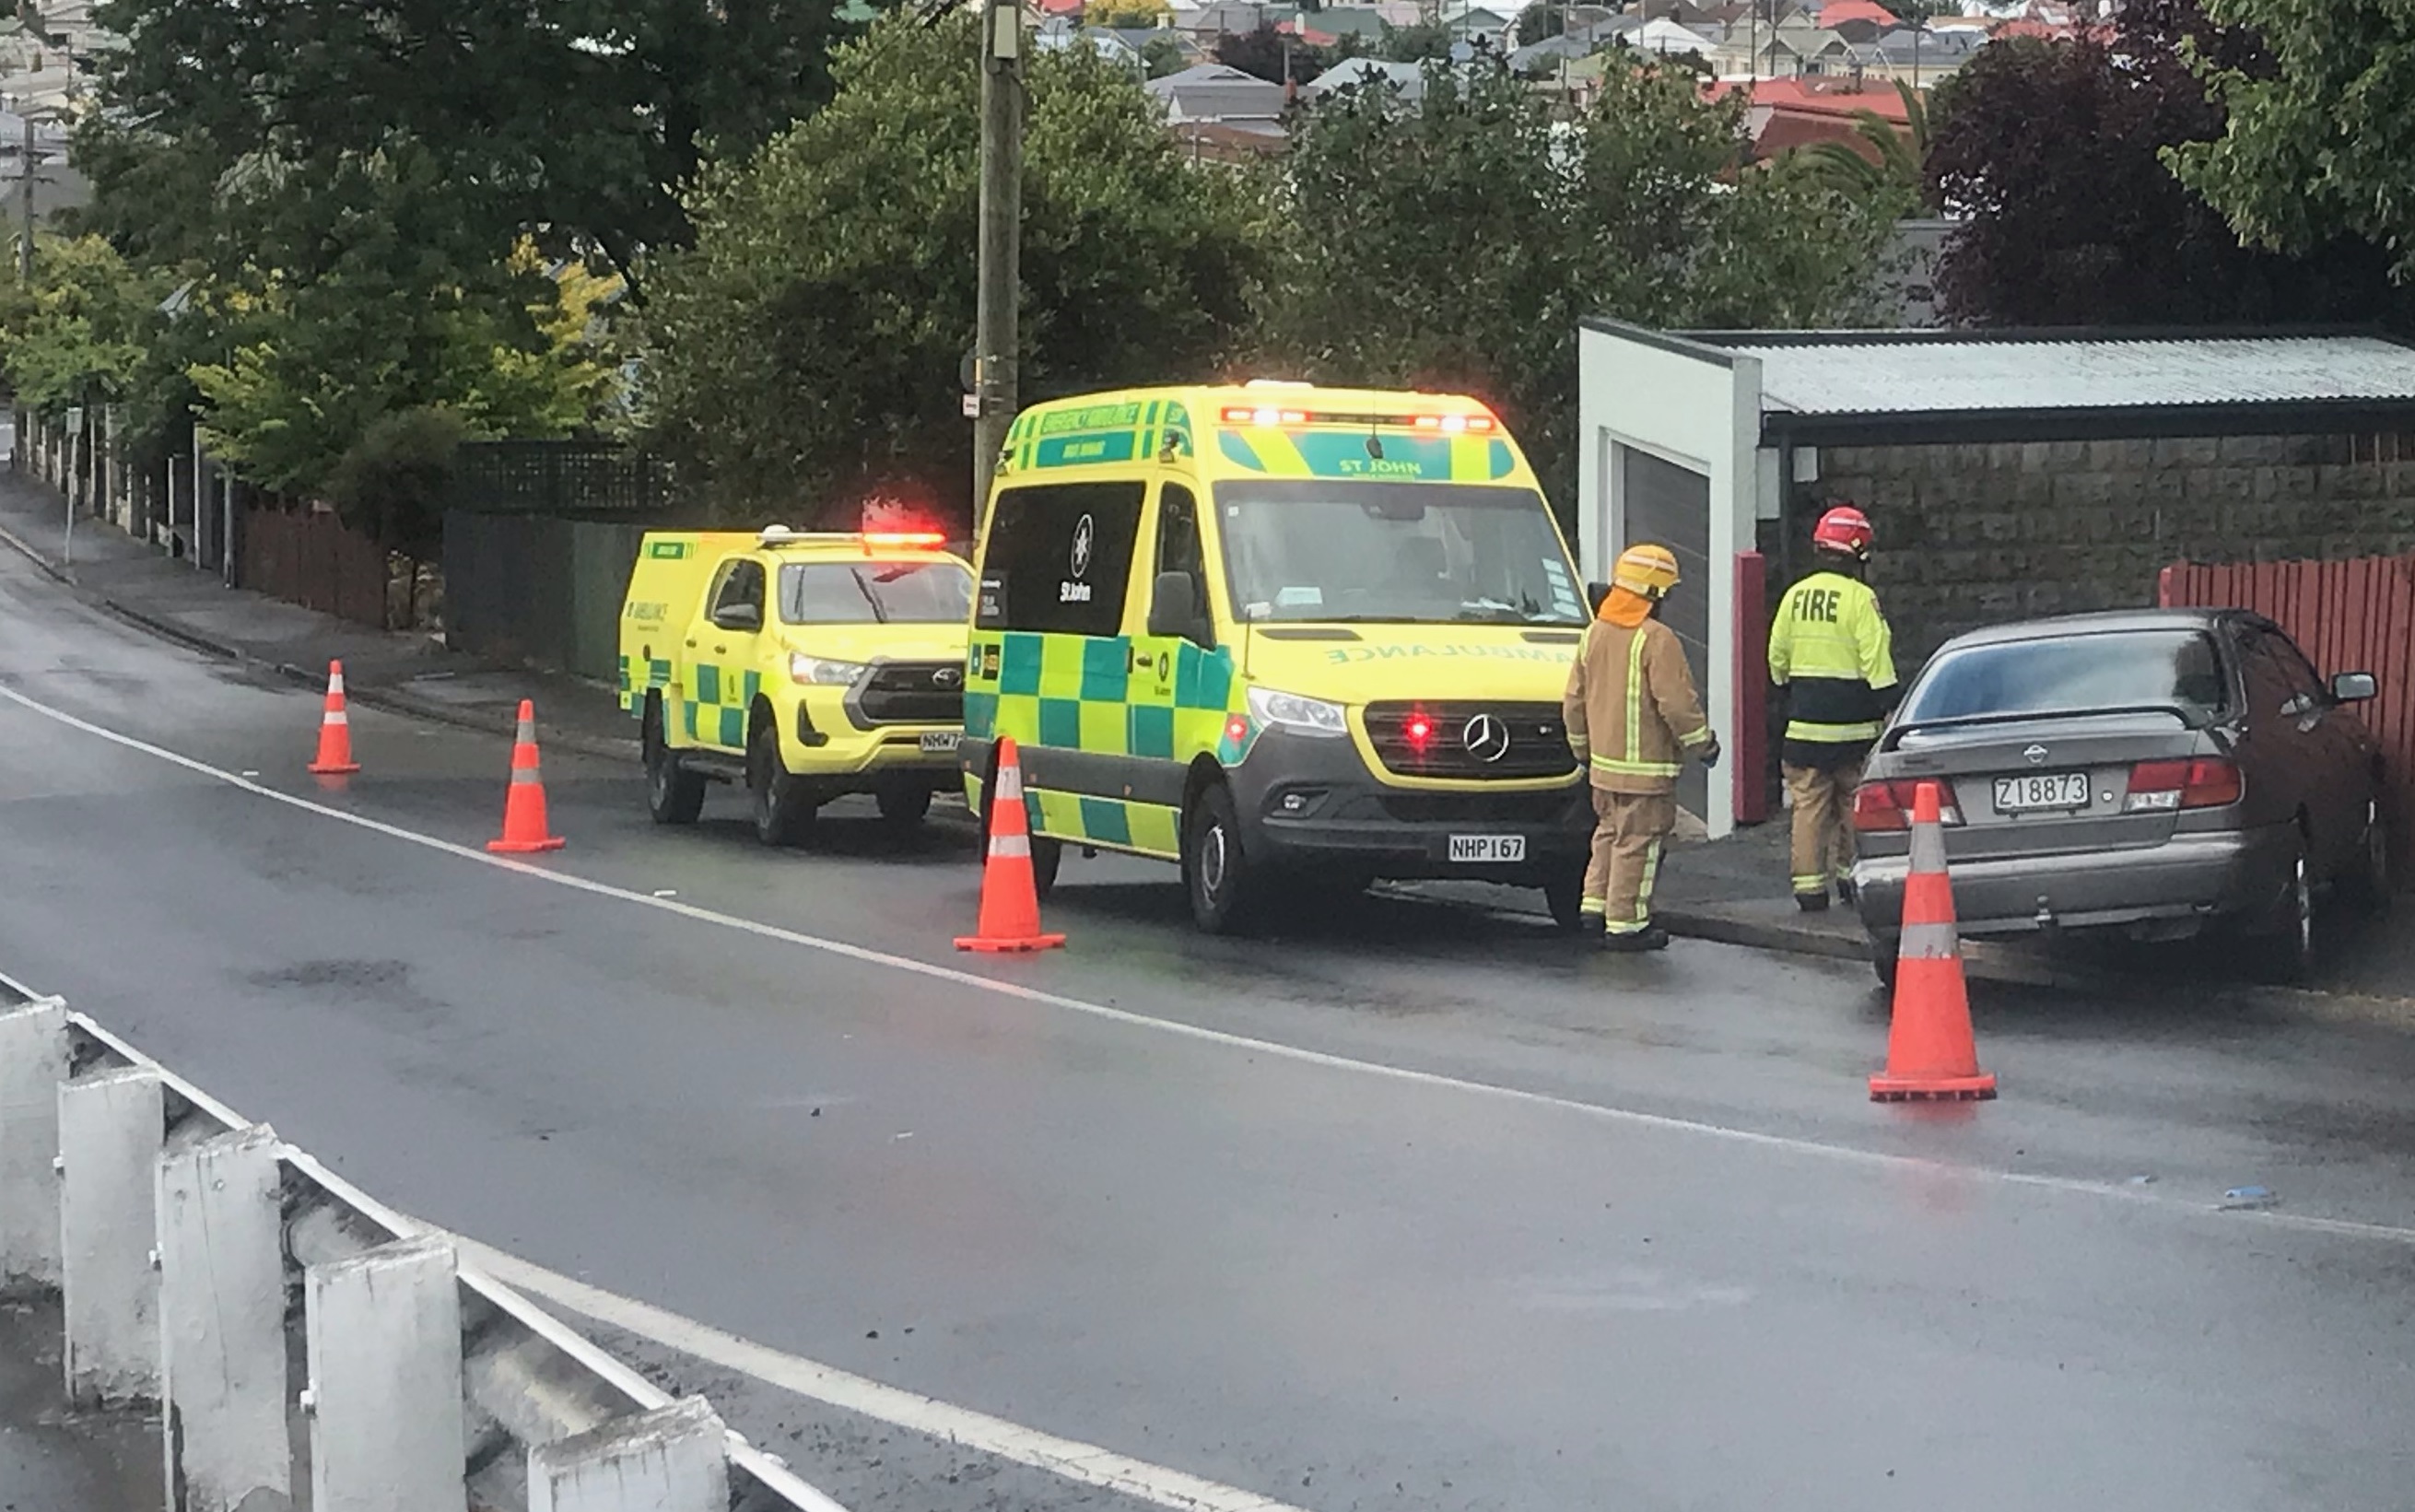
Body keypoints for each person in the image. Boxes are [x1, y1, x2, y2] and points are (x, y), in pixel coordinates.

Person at [1564, 543, 1720, 952]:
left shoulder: (1593, 634)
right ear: (1654, 594)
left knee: (1609, 836)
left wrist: (1582, 751)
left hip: (1602, 769)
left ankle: (1593, 908)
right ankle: (1627, 922)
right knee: (1640, 842)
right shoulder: (1657, 639)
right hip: (1646, 771)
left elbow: (1574, 702)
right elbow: (1676, 702)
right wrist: (1702, 744)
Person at [1767, 504, 1898, 912]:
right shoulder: (1861, 599)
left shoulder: (1794, 596)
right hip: (1854, 730)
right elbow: (1875, 658)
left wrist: (1789, 693)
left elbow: (1777, 659)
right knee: (1853, 805)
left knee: (1807, 809)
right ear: (1857, 552)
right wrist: (1890, 706)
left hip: (1804, 728)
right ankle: (1849, 879)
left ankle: (1809, 890)